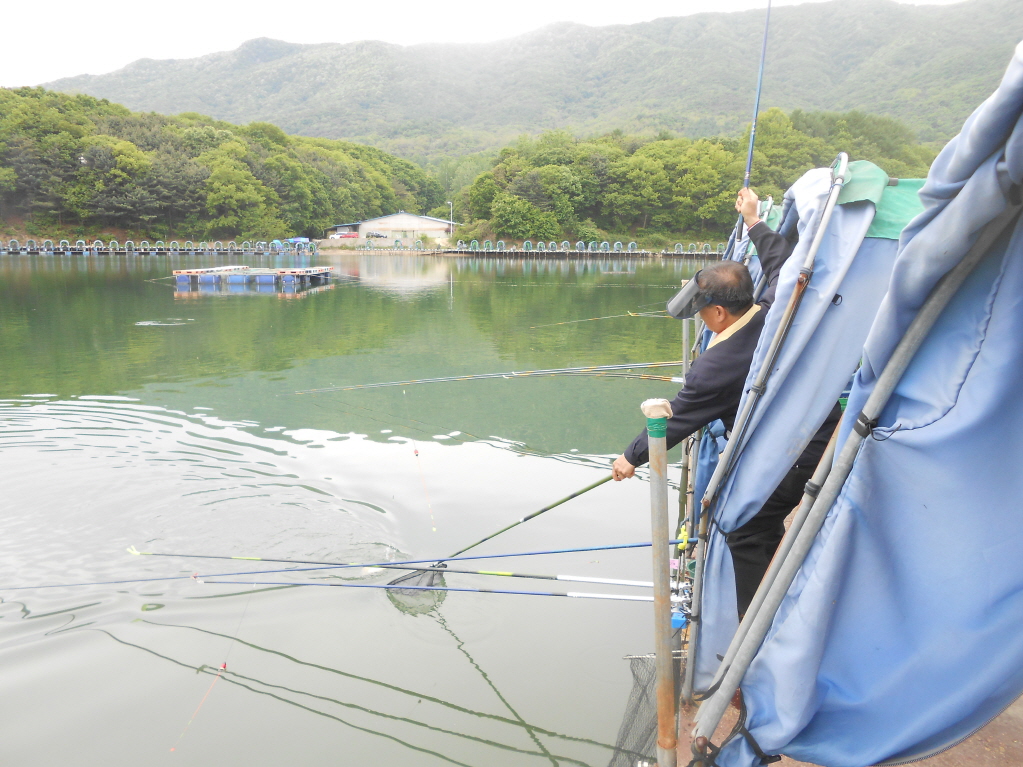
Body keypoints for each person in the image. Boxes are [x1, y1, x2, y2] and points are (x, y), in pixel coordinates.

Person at [612, 187, 841, 616]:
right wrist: (754, 222)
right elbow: (782, 267)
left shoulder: (716, 367)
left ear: (718, 313)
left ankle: (757, 626)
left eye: (701, 311)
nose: (700, 319)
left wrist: (630, 457)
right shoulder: (774, 309)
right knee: (756, 520)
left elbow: (677, 419)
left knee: (747, 529)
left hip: (802, 450)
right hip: (821, 422)